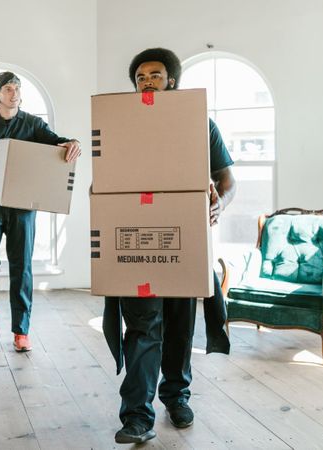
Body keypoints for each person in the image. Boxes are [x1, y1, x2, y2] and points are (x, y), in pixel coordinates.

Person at [103, 48, 236, 444]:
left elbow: (227, 181)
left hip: (184, 243)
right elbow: (106, 182)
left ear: (171, 80)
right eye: (141, 76)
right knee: (142, 329)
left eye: (155, 74)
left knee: (179, 329)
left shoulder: (199, 123)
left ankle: (177, 398)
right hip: (135, 243)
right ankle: (137, 417)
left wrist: (219, 205)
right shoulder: (120, 126)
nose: (147, 80)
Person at [0, 71, 81, 352]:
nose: (14, 93)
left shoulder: (33, 124)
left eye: (17, 88)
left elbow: (55, 142)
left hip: (23, 208)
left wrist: (71, 142)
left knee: (21, 267)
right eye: (8, 89)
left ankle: (21, 330)